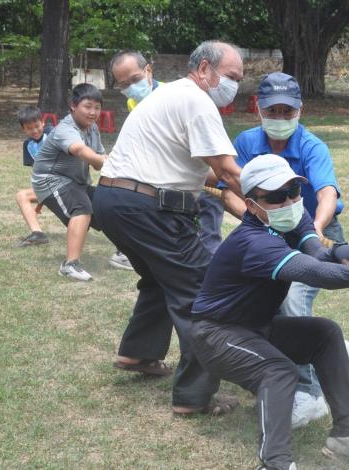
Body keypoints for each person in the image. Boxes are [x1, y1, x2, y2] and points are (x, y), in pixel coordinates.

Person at [191, 154, 349, 470]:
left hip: (257, 327)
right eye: (276, 196)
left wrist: (347, 251)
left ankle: (348, 436)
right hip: (216, 335)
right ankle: (274, 462)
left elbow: (318, 254)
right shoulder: (254, 242)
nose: (290, 200)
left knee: (324, 334)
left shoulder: (292, 219)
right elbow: (316, 273)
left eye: (294, 190)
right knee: (278, 370)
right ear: (252, 205)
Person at [92, 40, 244, 408]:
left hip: (112, 200)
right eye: (232, 76)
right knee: (201, 291)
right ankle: (194, 396)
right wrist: (276, 203)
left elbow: (206, 171)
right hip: (149, 208)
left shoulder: (170, 95)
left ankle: (137, 353)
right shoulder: (196, 100)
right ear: (205, 68)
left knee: (162, 280)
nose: (235, 84)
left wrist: (234, 194)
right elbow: (226, 169)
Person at [227, 72, 349, 428]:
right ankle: (287, 363)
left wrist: (312, 231)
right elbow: (231, 190)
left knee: (294, 301)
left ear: (299, 110)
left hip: (310, 232)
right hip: (265, 232)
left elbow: (327, 193)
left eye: (287, 111)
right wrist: (258, 219)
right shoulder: (247, 142)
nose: (280, 118)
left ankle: (308, 393)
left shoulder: (312, 146)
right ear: (259, 110)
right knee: (253, 302)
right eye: (272, 110)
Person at [110, 50, 226, 255]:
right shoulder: (132, 102)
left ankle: (210, 253)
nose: (130, 88)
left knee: (210, 204)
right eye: (123, 84)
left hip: (188, 166)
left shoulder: (173, 94)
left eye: (134, 79)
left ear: (148, 71)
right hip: (155, 175)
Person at [31, 83, 106, 282]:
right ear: (73, 106)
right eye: (87, 106)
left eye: (97, 108)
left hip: (76, 182)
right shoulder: (65, 129)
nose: (93, 112)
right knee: (82, 208)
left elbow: (99, 160)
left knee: (109, 204)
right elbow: (81, 151)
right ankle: (69, 265)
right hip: (50, 180)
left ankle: (122, 254)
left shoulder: (92, 128)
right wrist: (108, 161)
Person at [14, 106, 52, 247]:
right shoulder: (27, 145)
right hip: (47, 187)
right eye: (30, 128)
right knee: (21, 196)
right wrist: (40, 202)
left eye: (37, 126)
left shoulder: (52, 133)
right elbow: (38, 175)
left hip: (64, 183)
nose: (35, 131)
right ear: (24, 129)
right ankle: (37, 234)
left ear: (43, 122)